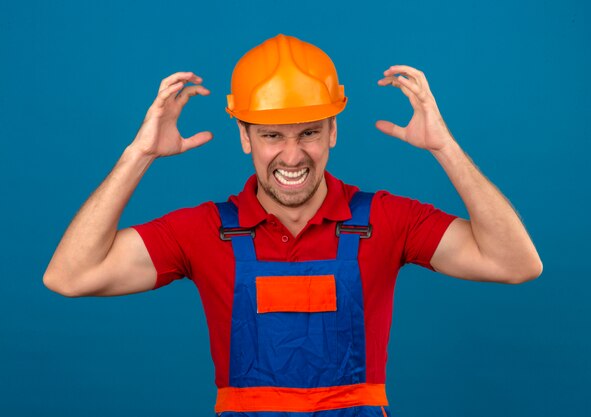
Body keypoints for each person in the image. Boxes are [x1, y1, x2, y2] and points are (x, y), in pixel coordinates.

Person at [44, 34, 542, 416]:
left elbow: (515, 262)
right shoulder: (204, 231)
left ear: (333, 131)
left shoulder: (387, 220)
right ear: (245, 137)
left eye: (308, 132)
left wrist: (445, 149)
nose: (291, 154)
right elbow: (70, 276)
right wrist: (139, 155)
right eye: (271, 136)